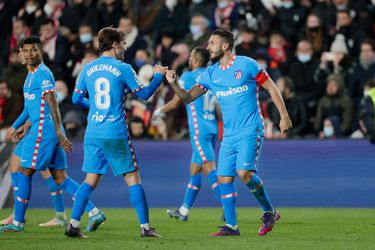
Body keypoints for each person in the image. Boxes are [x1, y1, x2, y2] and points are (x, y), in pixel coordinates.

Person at [165, 29, 292, 236]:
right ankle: (232, 226)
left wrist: (284, 116)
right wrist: (173, 83)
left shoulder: (247, 64)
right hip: (229, 134)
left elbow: (271, 87)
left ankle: (269, 210)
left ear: (225, 46)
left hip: (250, 129)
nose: (208, 47)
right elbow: (188, 98)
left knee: (244, 173)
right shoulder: (210, 74)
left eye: (212, 43)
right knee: (224, 178)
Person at [67, 27, 167, 238]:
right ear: (114, 44)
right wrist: (158, 77)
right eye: (123, 43)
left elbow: (76, 99)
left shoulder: (88, 68)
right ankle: (146, 228)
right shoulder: (123, 68)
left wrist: (95, 107)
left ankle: (73, 225)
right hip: (114, 131)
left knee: (90, 179)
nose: (124, 47)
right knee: (132, 178)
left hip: (93, 132)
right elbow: (146, 94)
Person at [0, 36, 105, 233]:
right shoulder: (31, 76)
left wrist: (58, 132)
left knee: (25, 171)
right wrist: (18, 125)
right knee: (59, 177)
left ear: (41, 50)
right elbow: (31, 107)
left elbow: (52, 103)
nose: (30, 54)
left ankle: (18, 222)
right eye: (26, 50)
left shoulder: (43, 74)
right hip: (43, 129)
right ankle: (94, 212)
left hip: (44, 131)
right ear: (21, 53)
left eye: (34, 50)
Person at [153, 48, 222, 221]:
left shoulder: (188, 77)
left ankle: (229, 207)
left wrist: (160, 110)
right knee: (195, 170)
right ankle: (183, 211)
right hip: (211, 127)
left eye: (191, 56)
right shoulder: (212, 74)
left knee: (209, 168)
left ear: (196, 59)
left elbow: (177, 102)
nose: (189, 59)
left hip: (199, 130)